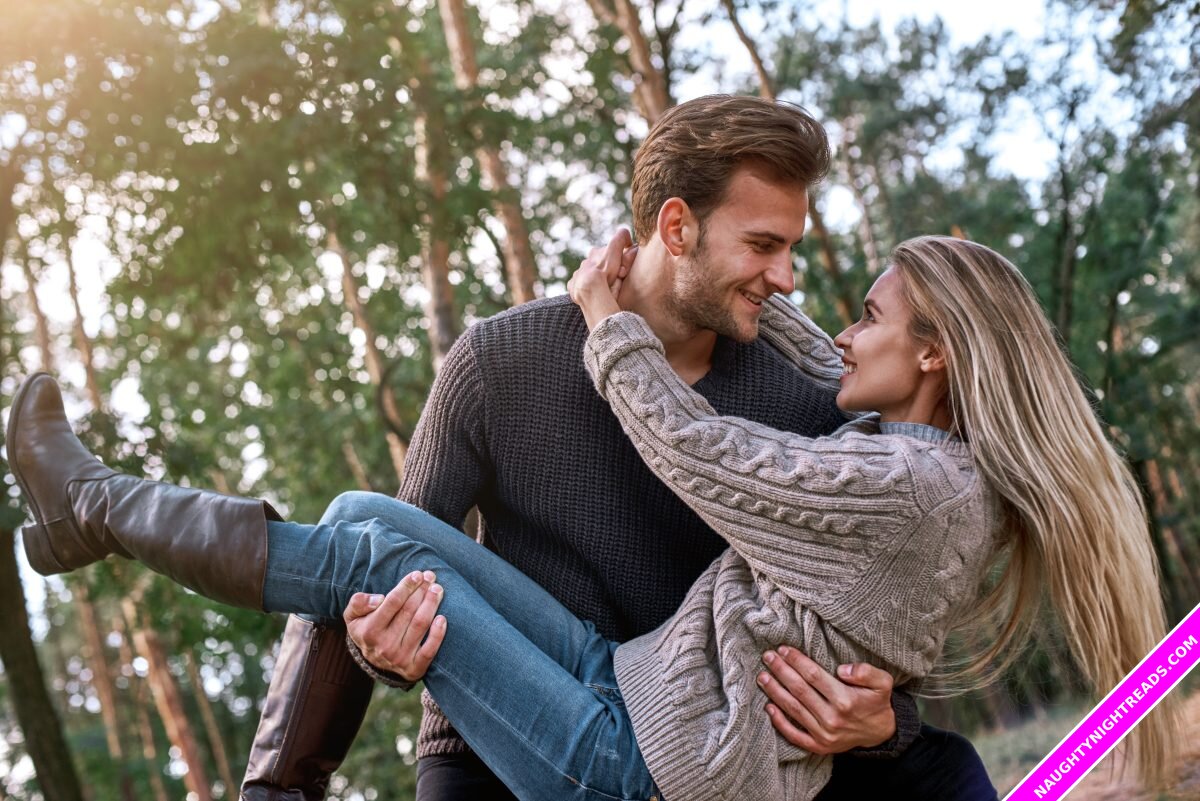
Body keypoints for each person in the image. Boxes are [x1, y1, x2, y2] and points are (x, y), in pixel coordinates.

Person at [8, 233, 1177, 800]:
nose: (839, 323)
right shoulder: (903, 446)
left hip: (648, 773)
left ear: (932, 353)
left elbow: (699, 452)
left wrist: (600, 318)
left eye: (872, 314)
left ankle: (98, 505)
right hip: (637, 685)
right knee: (374, 514)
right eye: (772, 254)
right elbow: (814, 344)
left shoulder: (915, 485)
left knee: (368, 539)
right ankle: (81, 512)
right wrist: (712, 280)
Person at [240, 95, 994, 801]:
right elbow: (397, 556)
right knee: (350, 525)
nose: (787, 279)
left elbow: (871, 607)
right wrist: (381, 649)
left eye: (791, 247)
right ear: (676, 228)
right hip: (489, 741)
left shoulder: (808, 407)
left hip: (678, 750)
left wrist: (885, 722)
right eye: (764, 244)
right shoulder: (499, 360)